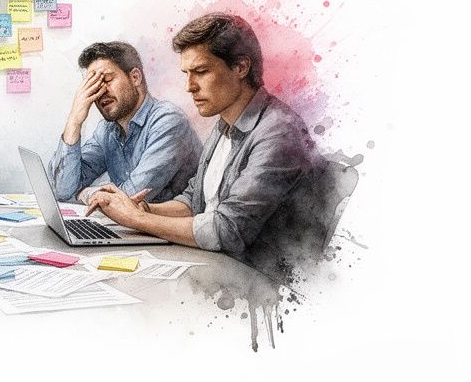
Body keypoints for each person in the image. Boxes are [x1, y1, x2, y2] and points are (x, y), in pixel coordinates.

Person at [86, 14, 322, 269]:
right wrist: (144, 209)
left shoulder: (278, 132)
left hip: (258, 280)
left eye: (200, 71)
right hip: (217, 264)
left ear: (241, 67)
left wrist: (136, 219)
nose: (189, 86)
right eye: (187, 73)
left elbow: (228, 230)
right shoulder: (225, 125)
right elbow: (194, 201)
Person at [48, 41, 201, 205]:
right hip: (131, 228)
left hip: (170, 228)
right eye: (92, 85)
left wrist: (86, 193)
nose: (98, 92)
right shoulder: (106, 130)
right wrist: (74, 120)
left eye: (106, 80)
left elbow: (132, 198)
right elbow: (62, 190)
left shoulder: (168, 121)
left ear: (135, 77)